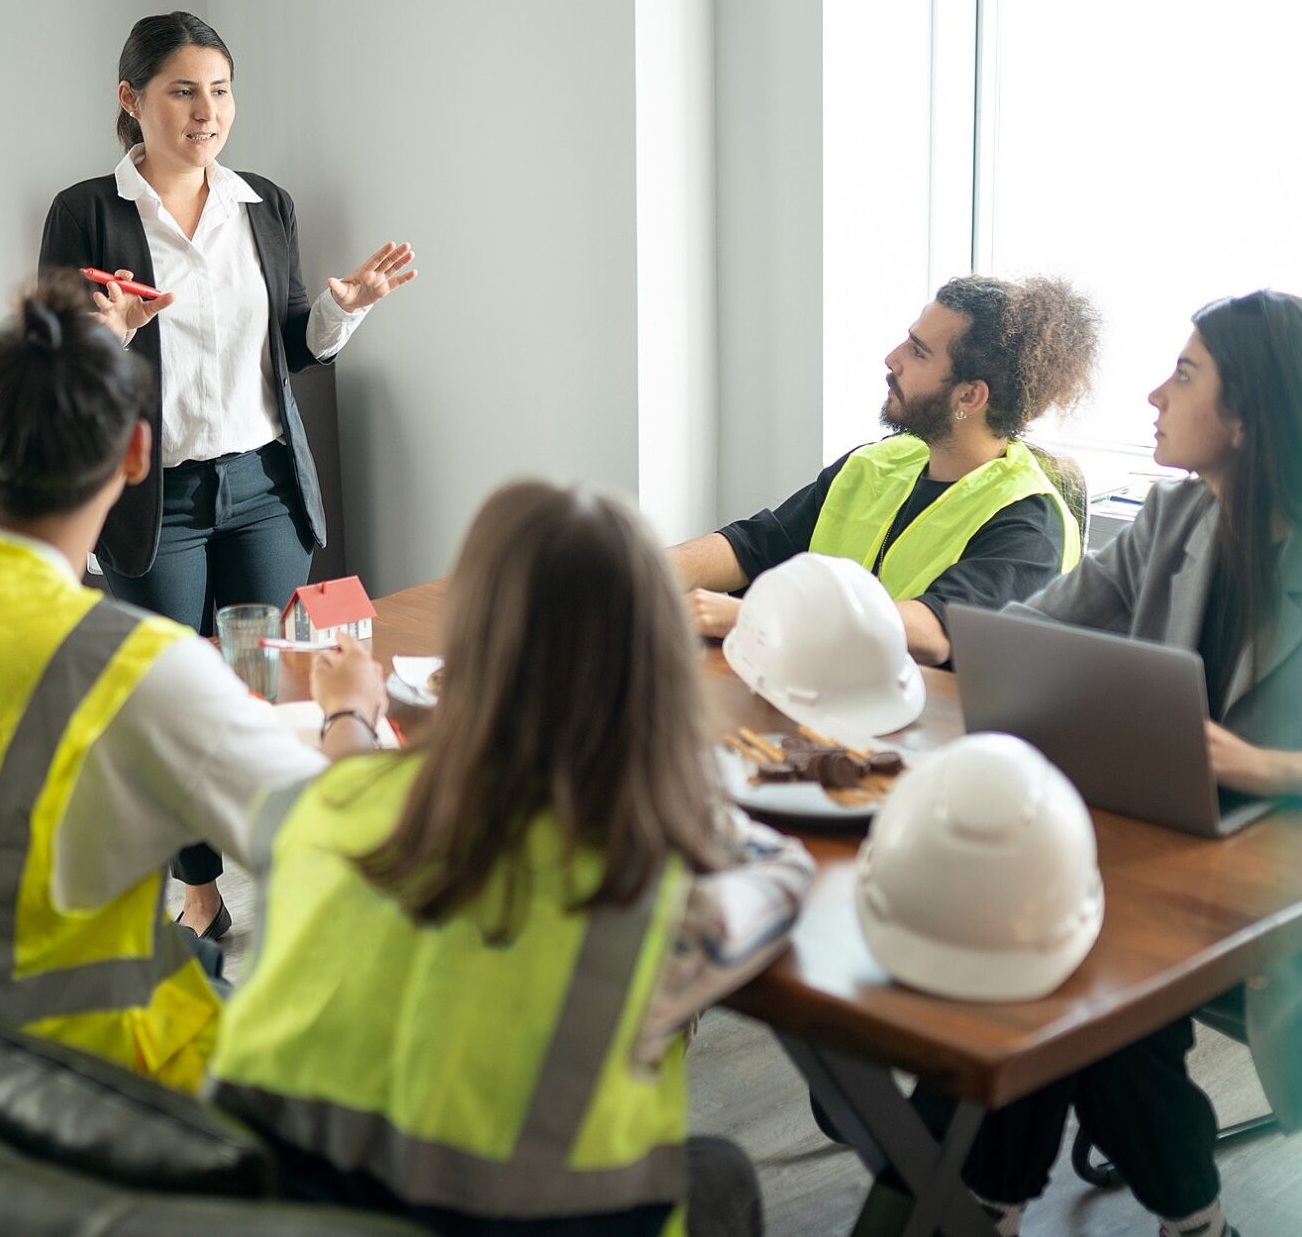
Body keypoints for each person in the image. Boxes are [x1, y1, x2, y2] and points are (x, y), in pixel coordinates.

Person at [208, 481, 816, 1237]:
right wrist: (675, 787)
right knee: (719, 1175)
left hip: (275, 1214)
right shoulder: (659, 896)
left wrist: (348, 716)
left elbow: (352, 778)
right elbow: (787, 878)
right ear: (655, 672)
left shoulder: (316, 810)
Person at [0, 275, 384, 1108]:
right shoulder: (140, 667)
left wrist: (107, 340)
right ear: (135, 455)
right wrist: (350, 709)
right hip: (84, 1095)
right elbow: (339, 837)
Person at [901, 289, 1302, 1237]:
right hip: (1162, 847)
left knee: (1092, 987)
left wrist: (1265, 766)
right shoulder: (1172, 522)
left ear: (1245, 416)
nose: (1156, 396)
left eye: (1186, 374)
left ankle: (977, 1191)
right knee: (1065, 965)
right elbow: (1023, 635)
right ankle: (1145, 1213)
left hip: (1275, 869)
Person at [39, 11, 418, 936]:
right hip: (152, 502)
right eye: (181, 90)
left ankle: (297, 877)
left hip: (262, 488)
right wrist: (109, 337)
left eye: (219, 89)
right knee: (173, 706)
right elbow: (54, 360)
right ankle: (199, 884)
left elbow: (291, 347)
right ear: (131, 101)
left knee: (273, 693)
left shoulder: (265, 205)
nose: (206, 111)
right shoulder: (87, 212)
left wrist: (344, 309)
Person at [670, 275, 1101, 665]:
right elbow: (756, 546)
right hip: (822, 697)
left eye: (918, 352)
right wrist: (642, 571)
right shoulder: (878, 463)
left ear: (969, 397)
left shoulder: (1028, 522)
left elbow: (934, 632)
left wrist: (760, 616)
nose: (892, 358)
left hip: (928, 731)